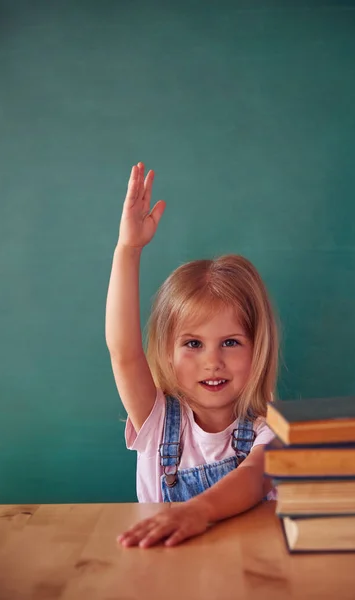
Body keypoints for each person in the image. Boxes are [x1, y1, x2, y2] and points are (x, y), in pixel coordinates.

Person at [105, 162, 279, 549]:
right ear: (167, 352)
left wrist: (196, 511)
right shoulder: (156, 420)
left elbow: (253, 478)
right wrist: (128, 250)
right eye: (193, 344)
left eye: (231, 342)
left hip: (250, 574)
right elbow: (123, 352)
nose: (211, 361)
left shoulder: (270, 431)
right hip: (164, 570)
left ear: (258, 347)